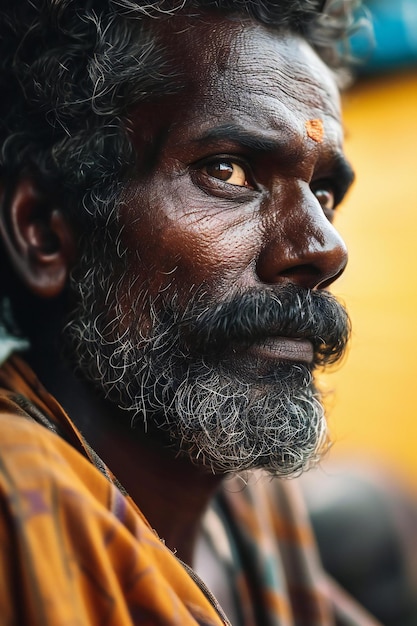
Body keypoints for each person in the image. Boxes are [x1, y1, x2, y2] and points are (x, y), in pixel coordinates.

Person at [0, 1, 380, 624]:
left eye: (323, 193)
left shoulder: (244, 507)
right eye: (227, 171)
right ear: (45, 229)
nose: (325, 250)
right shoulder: (18, 498)